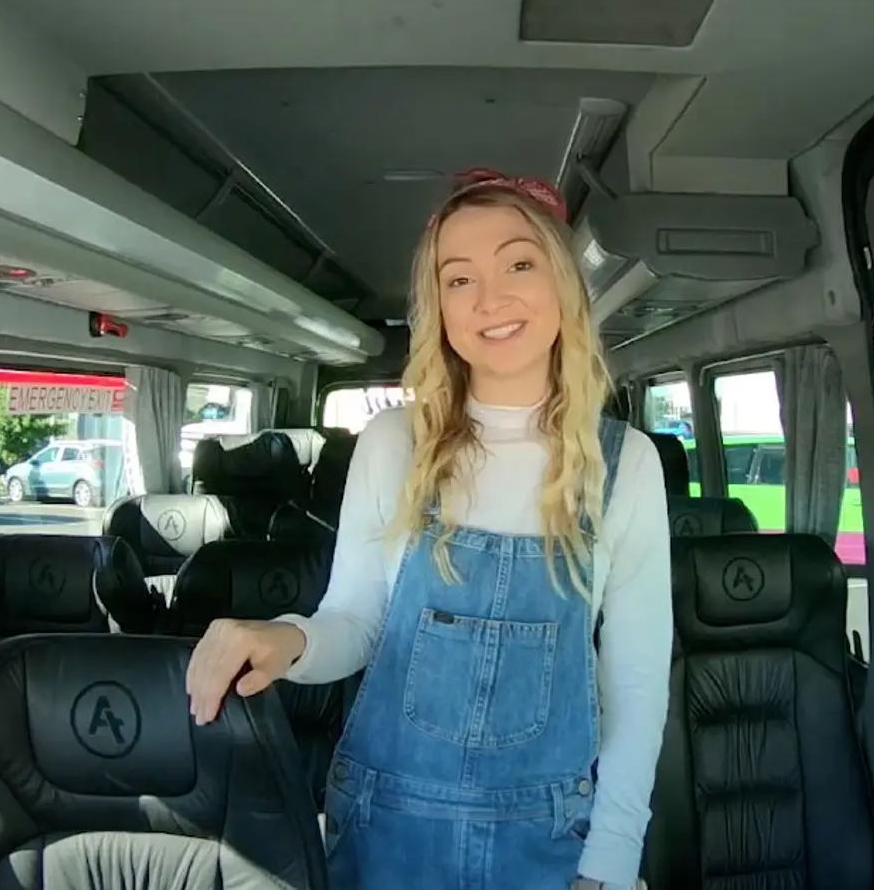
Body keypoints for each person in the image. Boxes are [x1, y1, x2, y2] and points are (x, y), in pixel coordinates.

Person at [185, 168, 672, 890]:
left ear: (564, 284)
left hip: (551, 841)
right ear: (438, 306)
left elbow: (634, 683)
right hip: (385, 832)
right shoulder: (394, 442)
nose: (492, 298)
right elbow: (352, 621)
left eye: (519, 263)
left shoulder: (625, 463)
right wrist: (283, 638)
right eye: (459, 279)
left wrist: (612, 860)